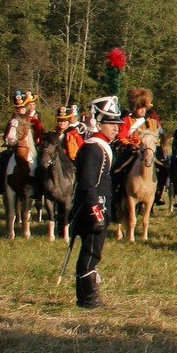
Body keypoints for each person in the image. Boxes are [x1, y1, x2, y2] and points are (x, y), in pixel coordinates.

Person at [71, 96, 123, 308]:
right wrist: (96, 212)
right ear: (98, 123)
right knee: (91, 252)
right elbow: (88, 184)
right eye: (111, 124)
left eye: (117, 124)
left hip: (99, 207)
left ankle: (86, 297)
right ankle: (88, 299)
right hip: (93, 209)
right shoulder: (93, 147)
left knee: (93, 251)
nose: (116, 128)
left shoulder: (102, 146)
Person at [0, 89, 43, 194]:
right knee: (1, 158)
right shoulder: (12, 121)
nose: (20, 110)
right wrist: (8, 140)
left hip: (31, 148)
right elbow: (6, 135)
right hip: (14, 148)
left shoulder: (34, 121)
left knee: (42, 164)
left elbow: (39, 135)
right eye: (18, 108)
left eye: (22, 108)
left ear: (26, 107)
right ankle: (0, 185)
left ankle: (39, 189)